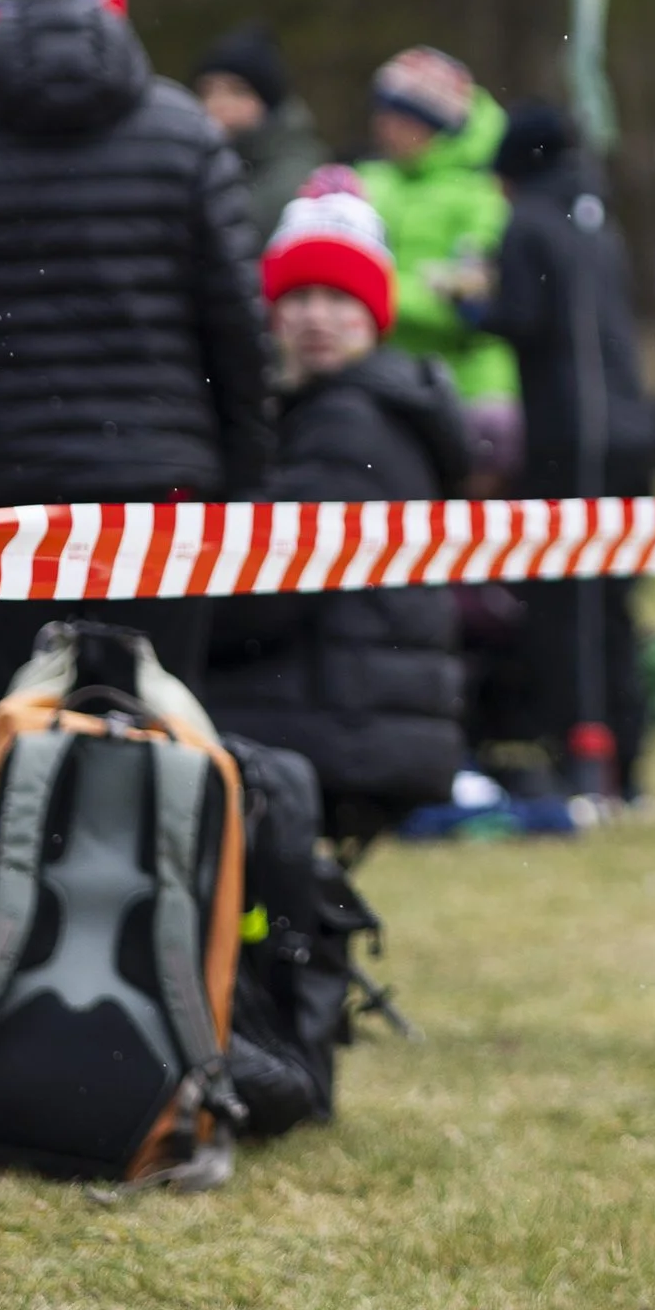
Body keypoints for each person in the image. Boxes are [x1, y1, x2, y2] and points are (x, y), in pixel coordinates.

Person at [0, 0, 270, 694]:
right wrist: (244, 471)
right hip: (166, 484)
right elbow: (236, 324)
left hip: (7, 497)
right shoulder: (188, 137)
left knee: (32, 722)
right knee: (162, 720)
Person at [199, 172, 468, 841]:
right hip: (362, 704)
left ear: (374, 314)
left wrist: (184, 619)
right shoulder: (356, 406)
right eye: (298, 297)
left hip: (338, 711)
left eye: (339, 297)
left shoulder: (348, 418)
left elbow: (278, 583)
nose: (316, 316)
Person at [466, 103, 655, 802]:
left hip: (568, 439)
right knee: (612, 604)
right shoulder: (598, 217)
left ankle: (577, 758)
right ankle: (624, 762)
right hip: (629, 432)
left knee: (562, 605)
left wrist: (469, 308)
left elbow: (522, 317)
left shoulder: (527, 222)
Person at [356, 46, 518, 443]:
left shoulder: (483, 197)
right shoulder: (366, 181)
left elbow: (470, 303)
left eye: (398, 116)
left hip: (467, 393)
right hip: (385, 384)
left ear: (433, 123)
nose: (383, 126)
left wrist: (363, 289)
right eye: (381, 113)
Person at [192, 25, 328, 244]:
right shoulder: (207, 158)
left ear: (266, 100)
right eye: (208, 91)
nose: (218, 103)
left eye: (236, 91)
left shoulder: (294, 172)